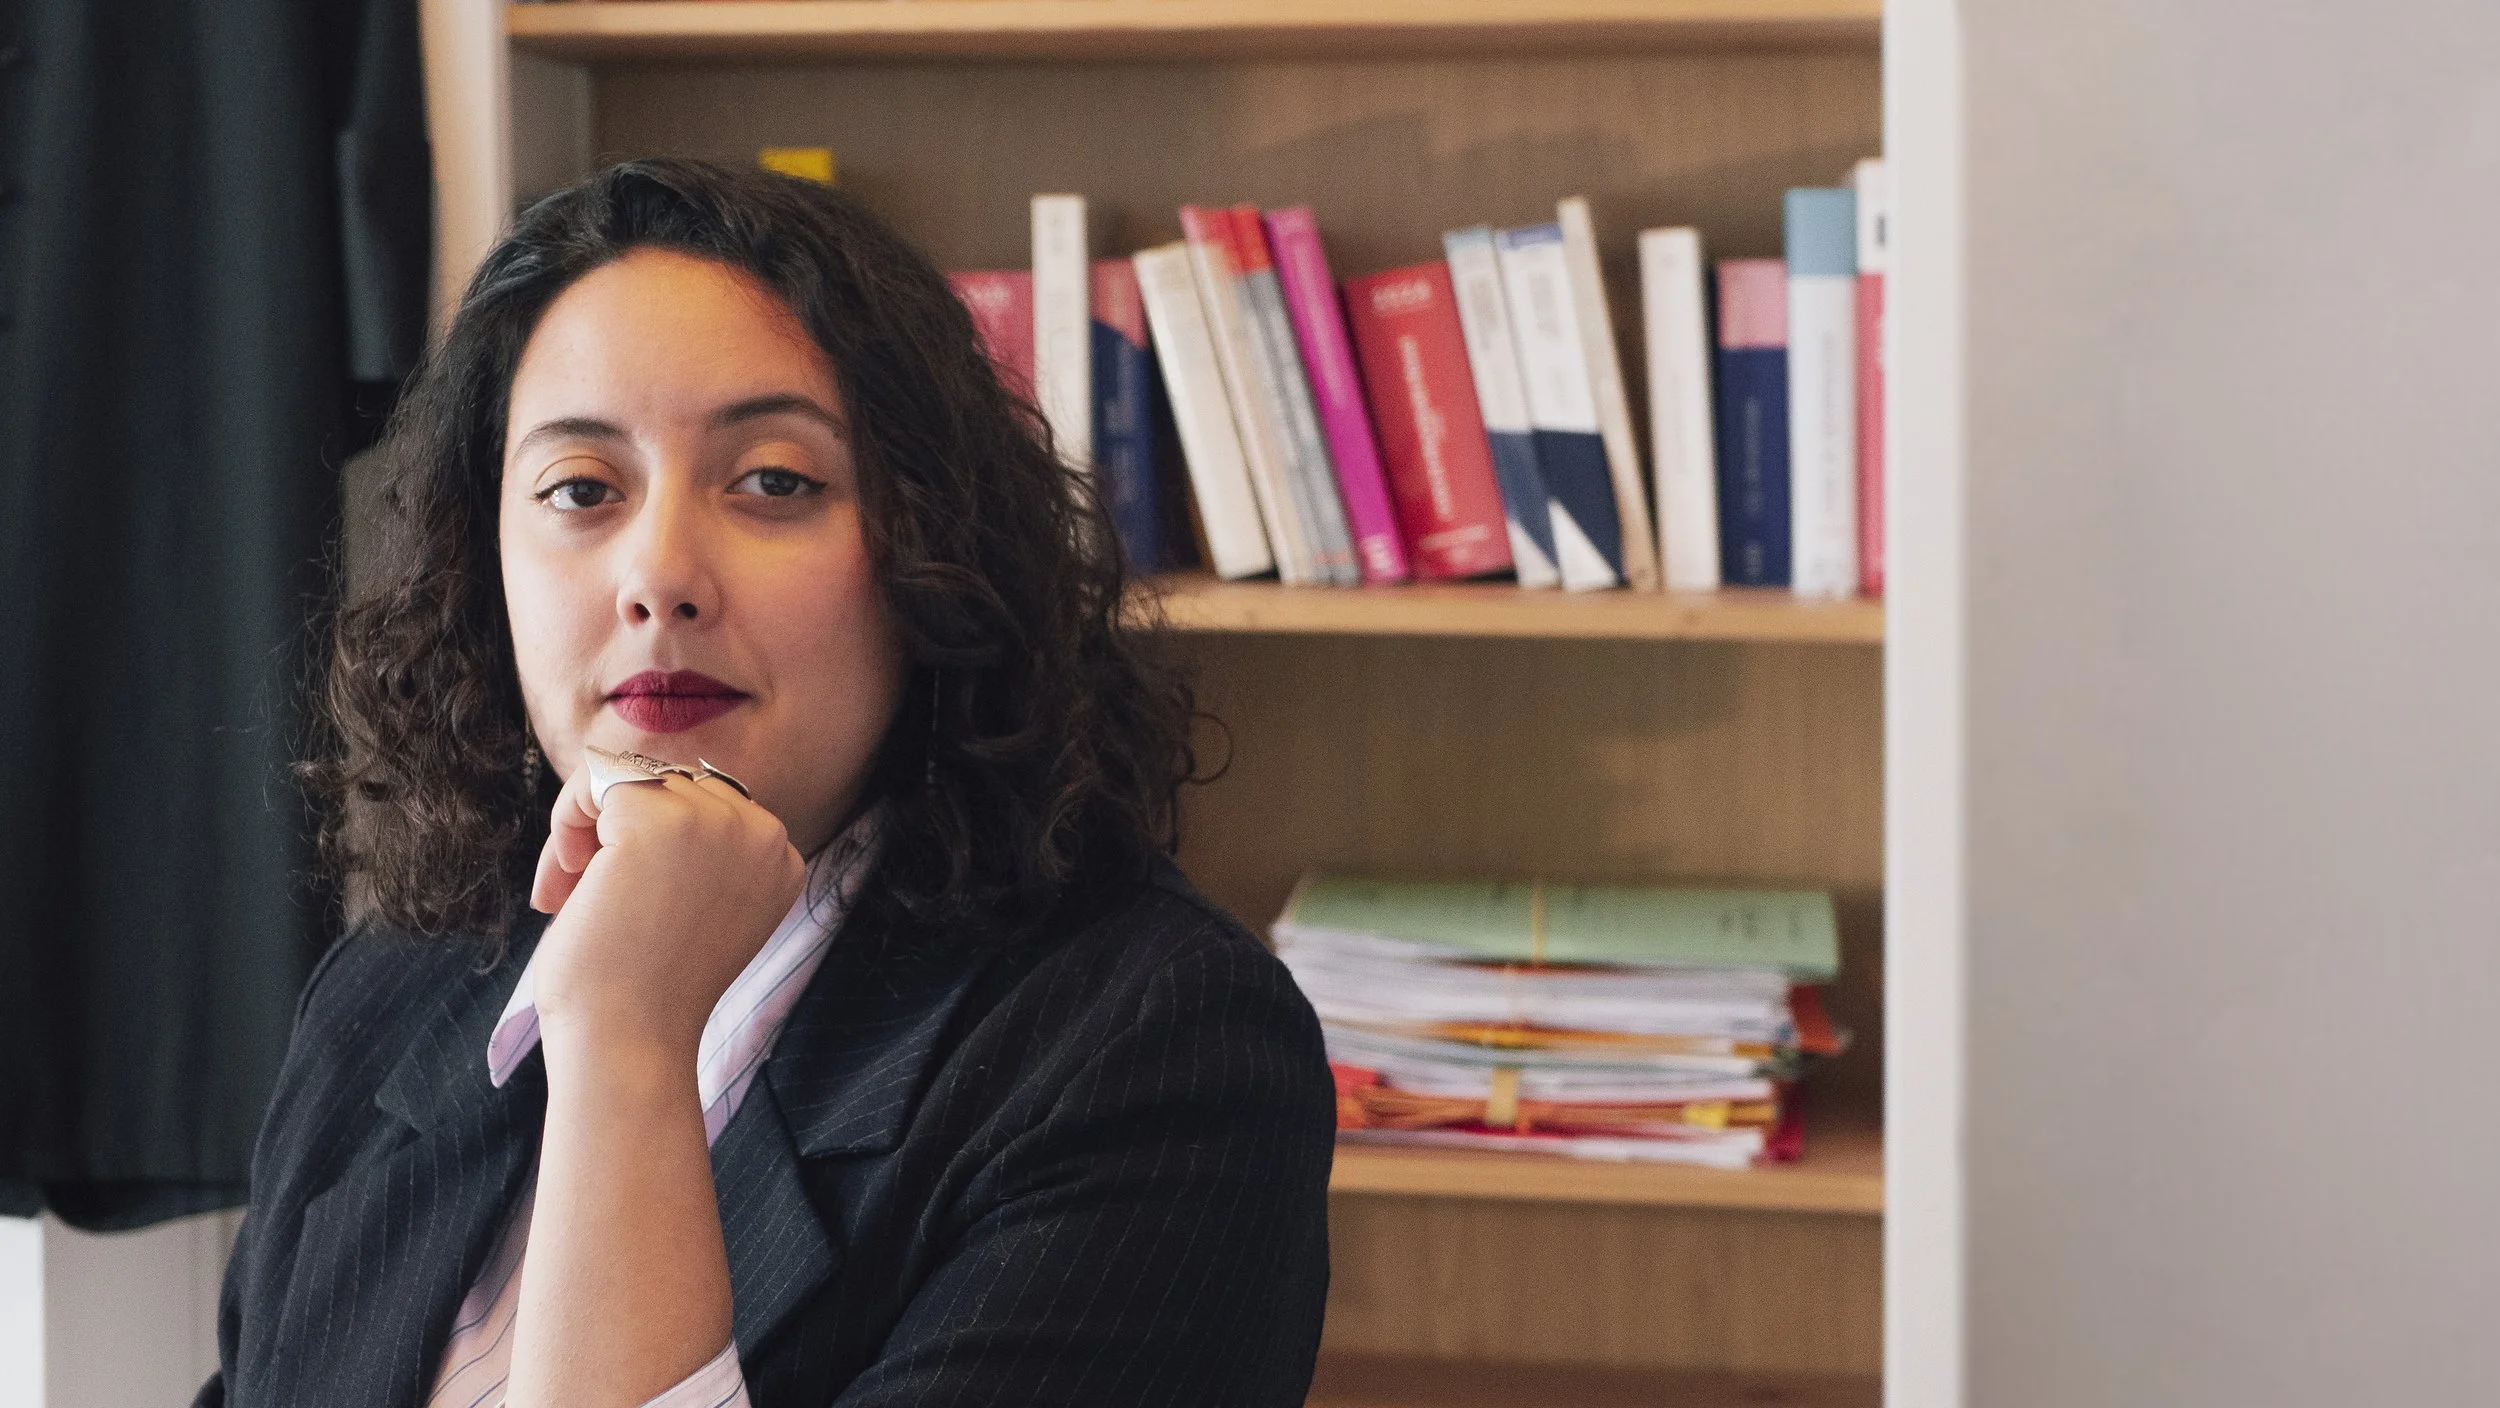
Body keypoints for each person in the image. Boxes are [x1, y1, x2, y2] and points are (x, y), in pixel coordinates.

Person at [194, 158, 1336, 1408]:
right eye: (580, 489)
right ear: (487, 563)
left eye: (775, 482)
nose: (659, 576)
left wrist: (627, 1039)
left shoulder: (1158, 1046)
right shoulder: (390, 984)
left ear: (929, 547)